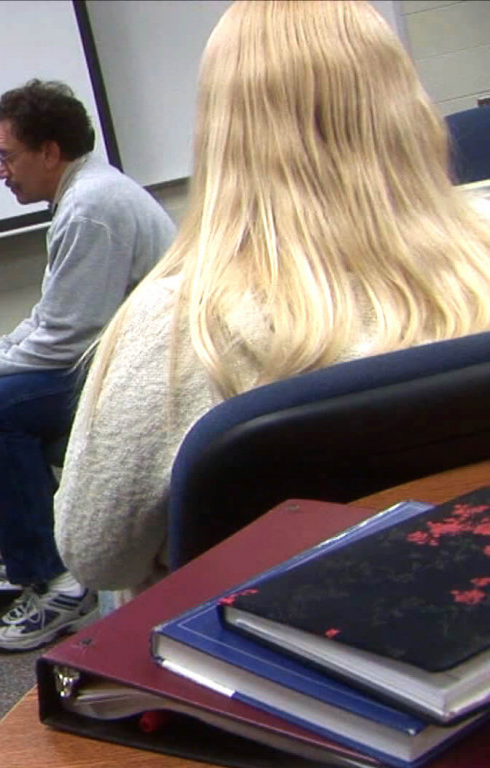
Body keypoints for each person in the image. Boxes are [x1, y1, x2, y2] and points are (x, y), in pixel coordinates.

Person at [55, 0, 490, 604]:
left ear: (221, 129)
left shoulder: (180, 327)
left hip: (290, 669)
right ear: (404, 104)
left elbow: (96, 553)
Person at [0, 81, 176, 651]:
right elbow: (54, 317)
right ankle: (40, 553)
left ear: (49, 152)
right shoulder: (87, 194)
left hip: (147, 377)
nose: (1, 171)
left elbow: (66, 340)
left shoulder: (91, 207)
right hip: (119, 359)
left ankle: (56, 579)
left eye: (7, 156)